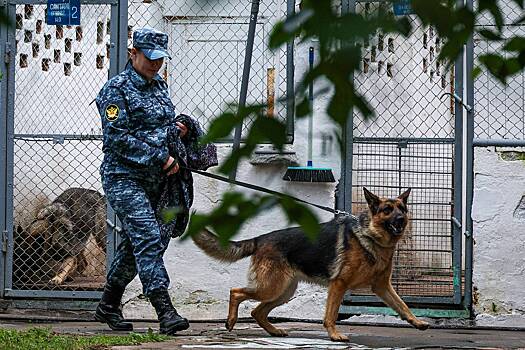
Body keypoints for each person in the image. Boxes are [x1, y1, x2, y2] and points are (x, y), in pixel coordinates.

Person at [94, 27, 191, 335]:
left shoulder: (159, 85)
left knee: (142, 243)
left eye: (160, 59)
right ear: (133, 53)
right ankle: (166, 311)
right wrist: (159, 157)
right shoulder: (116, 89)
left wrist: (179, 128)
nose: (155, 65)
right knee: (148, 237)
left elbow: (161, 125)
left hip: (158, 181)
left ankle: (108, 305)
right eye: (150, 58)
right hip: (123, 178)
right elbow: (117, 138)